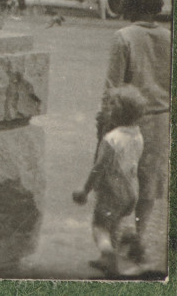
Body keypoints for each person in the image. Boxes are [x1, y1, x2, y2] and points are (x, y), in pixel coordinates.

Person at [102, 0, 171, 275]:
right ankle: (140, 239)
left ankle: (114, 245)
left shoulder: (123, 37)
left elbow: (112, 87)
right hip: (160, 118)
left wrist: (104, 124)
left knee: (118, 183)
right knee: (149, 184)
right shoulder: (170, 37)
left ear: (128, 7)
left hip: (128, 120)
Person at [72, 85, 147, 277]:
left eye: (111, 107)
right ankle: (109, 257)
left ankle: (108, 254)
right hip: (131, 190)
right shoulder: (138, 135)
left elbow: (98, 168)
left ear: (118, 112)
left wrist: (85, 190)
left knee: (100, 227)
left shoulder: (111, 139)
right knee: (114, 223)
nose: (108, 110)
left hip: (111, 191)